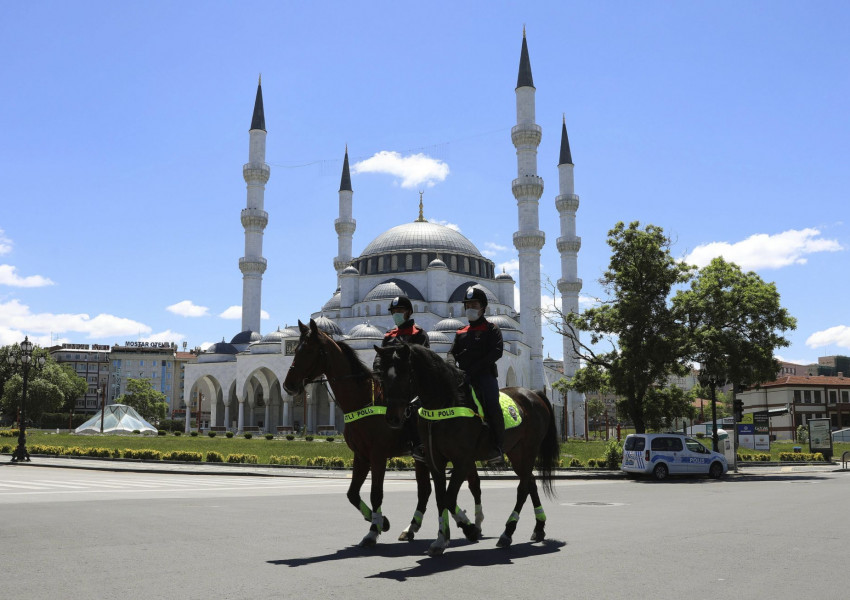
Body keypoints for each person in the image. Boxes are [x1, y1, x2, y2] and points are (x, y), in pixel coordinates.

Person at [450, 285, 504, 465]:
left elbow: (496, 353)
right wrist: (452, 366)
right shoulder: (461, 332)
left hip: (484, 377)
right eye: (468, 305)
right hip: (463, 377)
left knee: (492, 406)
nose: (470, 308)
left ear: (483, 308)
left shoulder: (492, 329)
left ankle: (497, 447)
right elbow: (452, 353)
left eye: (474, 304)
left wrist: (473, 370)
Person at [373, 295, 430, 461]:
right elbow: (380, 356)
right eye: (394, 311)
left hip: (411, 382)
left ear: (409, 312)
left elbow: (422, 357)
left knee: (413, 407)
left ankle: (419, 444)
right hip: (392, 382)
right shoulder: (389, 335)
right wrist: (377, 370)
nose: (396, 314)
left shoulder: (419, 334)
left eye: (400, 310)